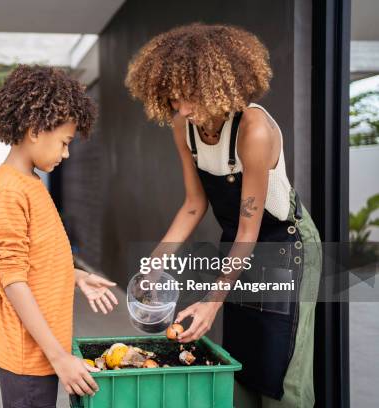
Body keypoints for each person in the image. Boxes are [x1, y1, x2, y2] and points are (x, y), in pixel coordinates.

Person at [125, 23, 322, 407]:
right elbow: (194, 204)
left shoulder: (254, 130)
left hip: (286, 246)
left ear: (219, 86)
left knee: (280, 368)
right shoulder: (184, 127)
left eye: (189, 97)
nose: (180, 109)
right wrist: (154, 264)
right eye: (174, 99)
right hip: (239, 249)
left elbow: (251, 228)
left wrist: (211, 301)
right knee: (244, 360)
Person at [0, 65, 119, 408]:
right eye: (64, 142)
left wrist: (76, 276)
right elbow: (14, 281)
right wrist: (58, 357)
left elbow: (35, 263)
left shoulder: (30, 184)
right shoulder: (10, 191)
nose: (66, 153)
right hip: (29, 359)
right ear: (34, 129)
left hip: (40, 354)